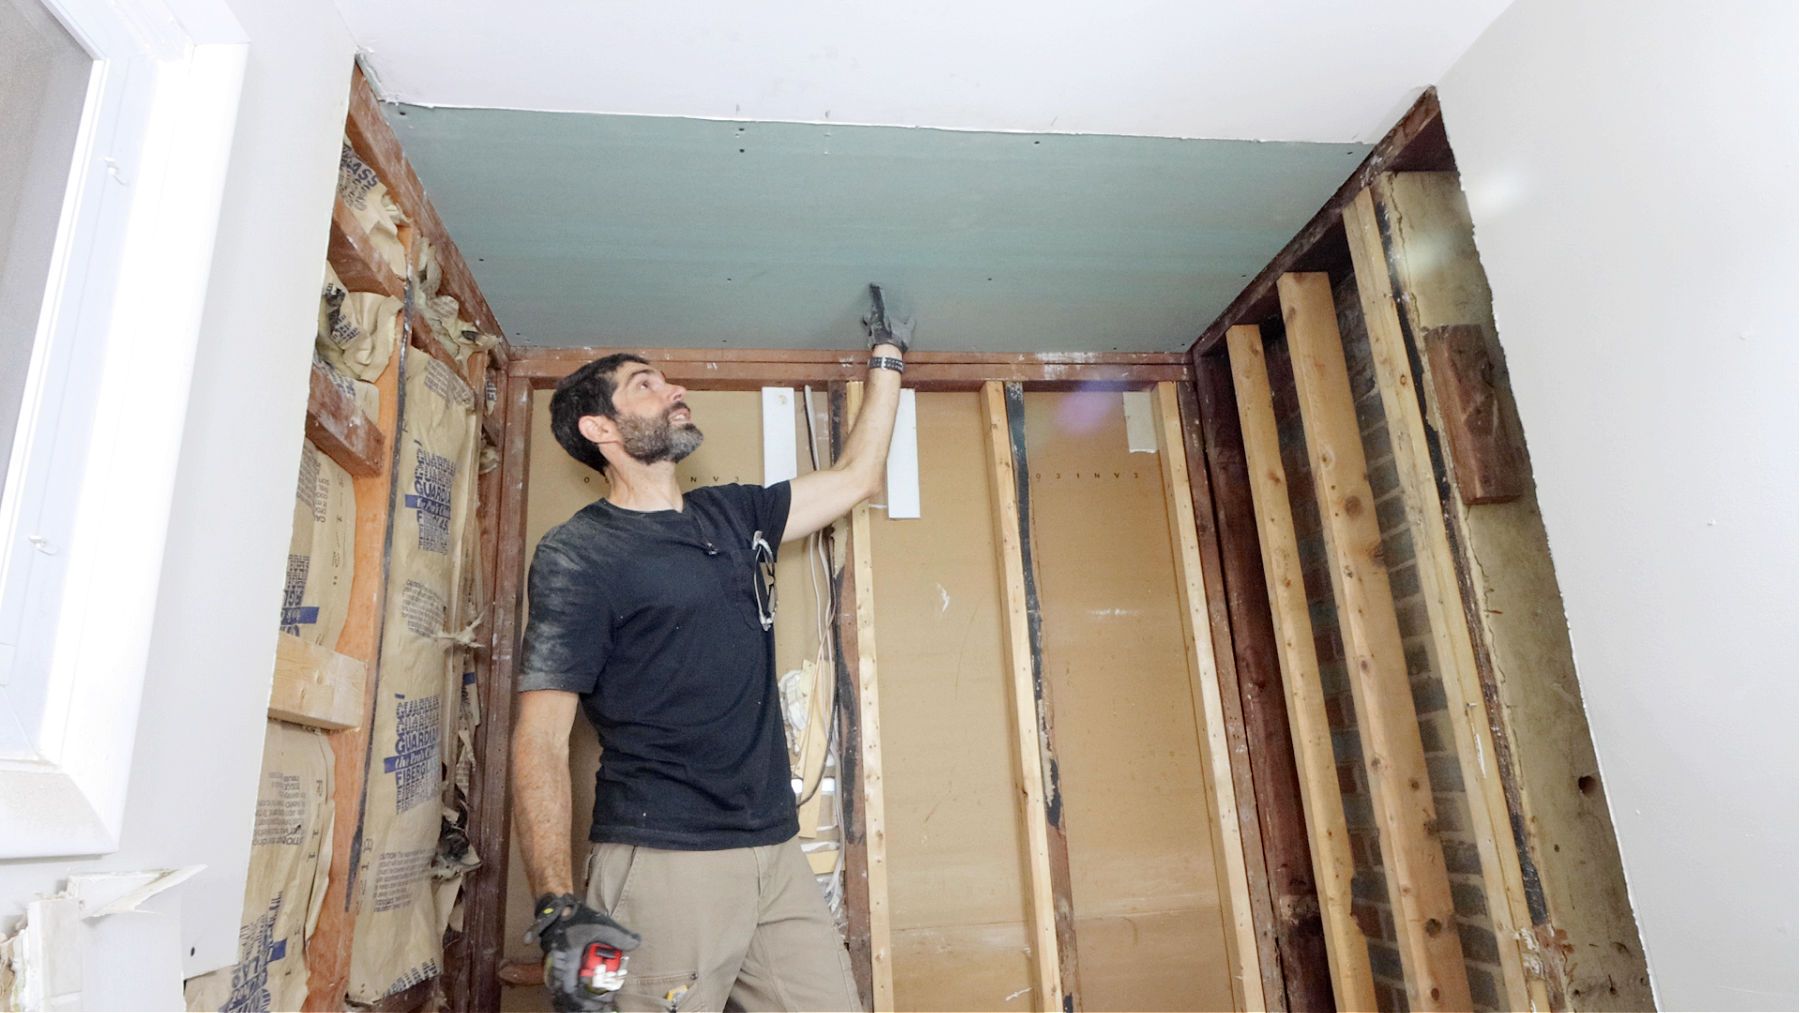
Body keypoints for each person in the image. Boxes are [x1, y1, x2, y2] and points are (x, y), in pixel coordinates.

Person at [511, 314, 911, 1013]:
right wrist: (555, 903)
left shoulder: (734, 513)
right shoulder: (580, 554)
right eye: (645, 384)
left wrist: (888, 358)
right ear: (600, 430)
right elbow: (542, 737)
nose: (674, 389)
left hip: (773, 850)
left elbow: (857, 476)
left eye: (667, 379)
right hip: (664, 856)